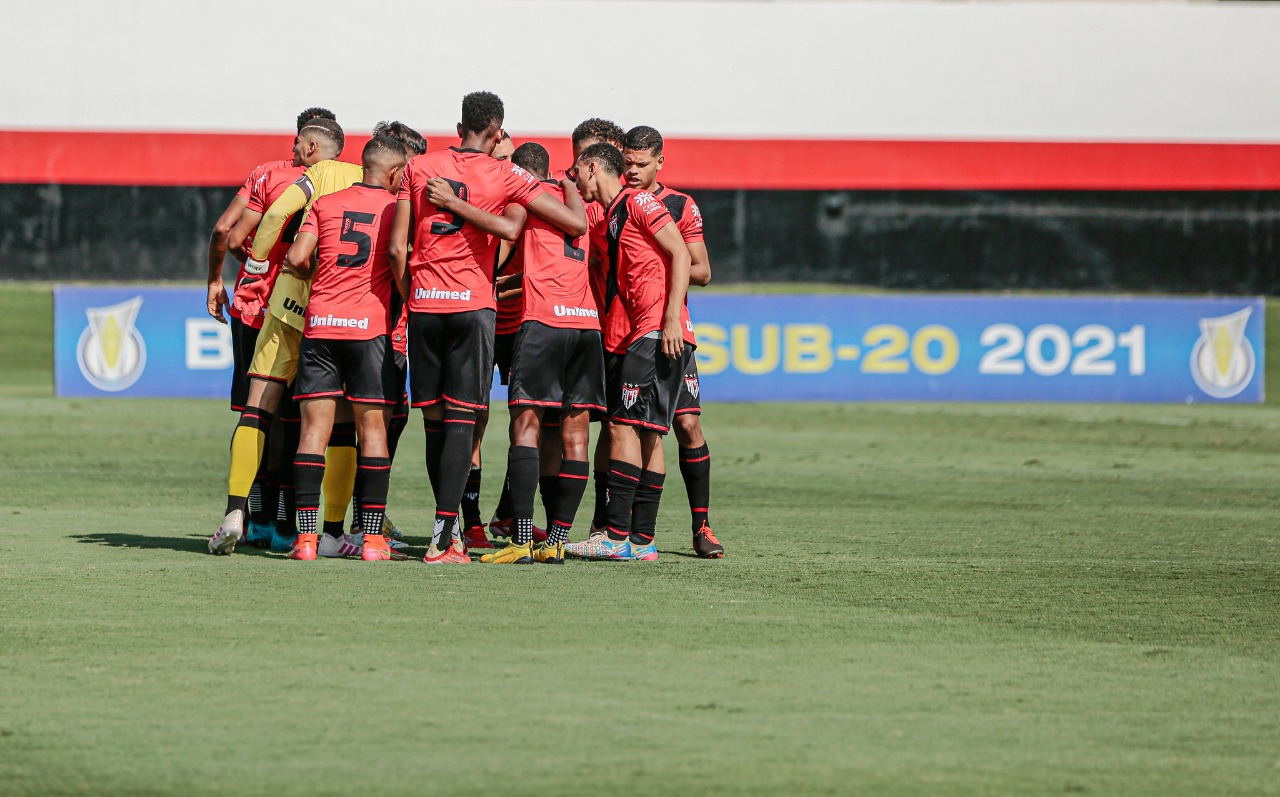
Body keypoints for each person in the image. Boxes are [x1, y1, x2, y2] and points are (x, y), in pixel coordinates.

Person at [389, 90, 586, 565]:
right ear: (498, 131)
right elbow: (574, 224)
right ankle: (443, 536)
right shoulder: (506, 172)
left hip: (425, 305)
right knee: (463, 418)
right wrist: (570, 179)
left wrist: (411, 294)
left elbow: (397, 249)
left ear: (459, 128)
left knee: (433, 420)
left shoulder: (421, 167)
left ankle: (450, 531)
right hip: (473, 307)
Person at [209, 117, 355, 555]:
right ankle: (326, 530)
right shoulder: (364, 178)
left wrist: (253, 262)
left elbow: (237, 228)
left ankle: (242, 512)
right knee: (336, 422)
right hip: (339, 309)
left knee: (258, 410)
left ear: (311, 147)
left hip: (279, 304)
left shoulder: (281, 174)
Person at [279, 134, 409, 561]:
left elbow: (297, 258)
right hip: (368, 329)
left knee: (313, 431)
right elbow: (396, 256)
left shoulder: (326, 202)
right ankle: (372, 541)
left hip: (322, 324)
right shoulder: (396, 208)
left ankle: (306, 540)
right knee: (373, 432)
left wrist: (327, 274)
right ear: (393, 172)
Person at [474, 142, 604, 565]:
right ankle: (559, 541)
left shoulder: (523, 201)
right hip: (586, 325)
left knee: (525, 428)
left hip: (543, 323)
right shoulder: (589, 207)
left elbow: (505, 240)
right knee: (575, 436)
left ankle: (523, 539)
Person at [562, 143, 690, 562]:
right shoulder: (615, 213)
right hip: (646, 329)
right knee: (650, 435)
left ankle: (615, 535)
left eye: (575, 170)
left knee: (621, 427)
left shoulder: (638, 202)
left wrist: (671, 319)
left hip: (656, 329)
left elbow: (681, 252)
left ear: (592, 167)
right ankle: (642, 539)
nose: (573, 177)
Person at [621, 125, 724, 558]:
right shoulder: (615, 203)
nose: (632, 171)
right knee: (639, 431)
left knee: (686, 425)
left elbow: (702, 270)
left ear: (660, 162)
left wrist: (666, 255)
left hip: (671, 329)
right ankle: (637, 532)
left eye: (641, 164)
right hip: (628, 329)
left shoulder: (680, 205)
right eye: (627, 162)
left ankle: (702, 526)